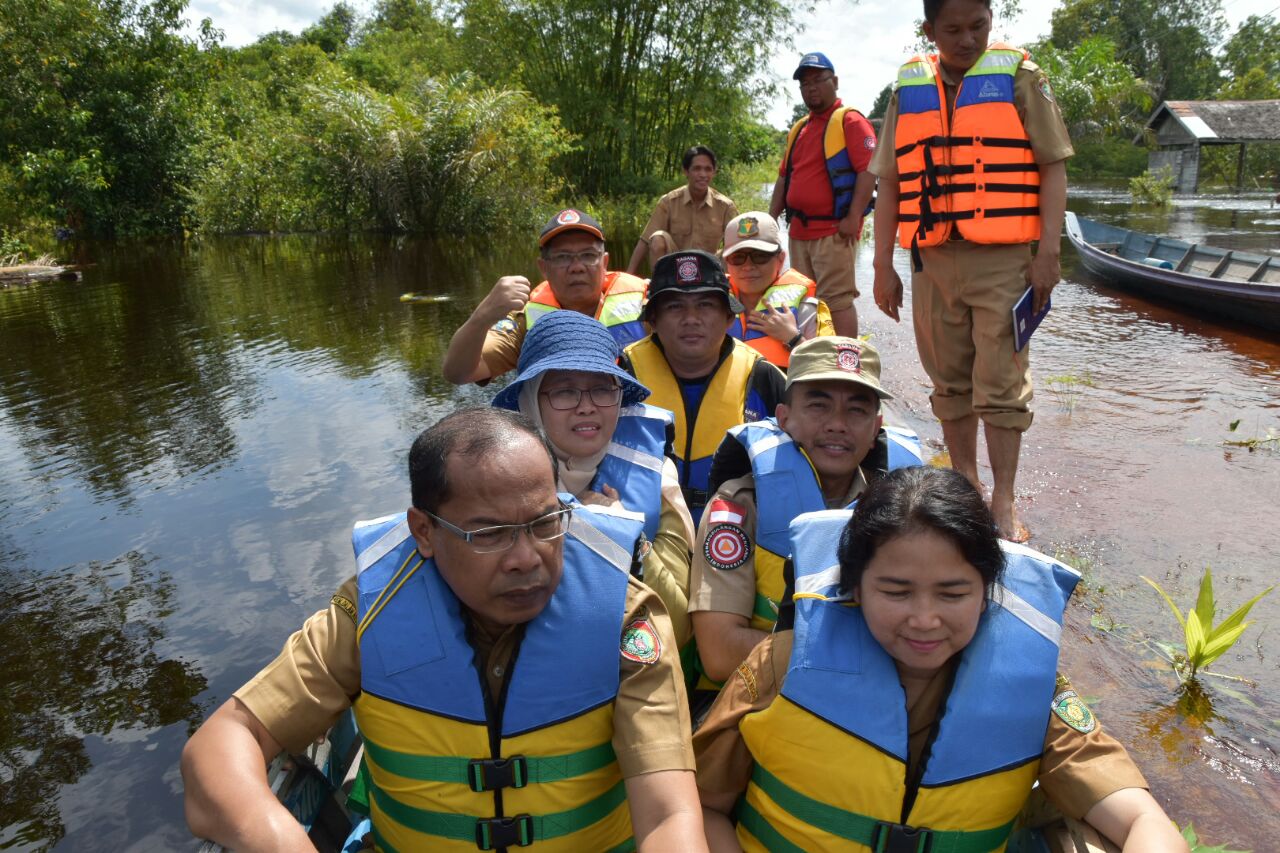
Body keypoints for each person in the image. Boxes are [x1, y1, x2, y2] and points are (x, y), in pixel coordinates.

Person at [181, 408, 707, 852]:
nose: (527, 558)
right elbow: (224, 742)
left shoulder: (622, 616)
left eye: (546, 523)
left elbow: (667, 816)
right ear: (424, 531)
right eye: (491, 534)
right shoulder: (368, 614)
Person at [694, 466, 1188, 853]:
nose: (925, 620)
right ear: (856, 588)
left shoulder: (1034, 694)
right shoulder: (779, 666)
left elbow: (1142, 819)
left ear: (987, 592)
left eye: (953, 593)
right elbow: (706, 806)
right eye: (896, 591)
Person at [869, 0, 1073, 542]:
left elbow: (1053, 167)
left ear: (990, 19)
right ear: (929, 29)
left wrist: (1048, 253)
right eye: (953, 30)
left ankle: (1003, 500)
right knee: (949, 381)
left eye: (978, 26)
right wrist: (882, 263)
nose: (967, 39)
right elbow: (888, 181)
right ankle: (966, 485)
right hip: (931, 260)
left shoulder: (1022, 77)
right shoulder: (908, 88)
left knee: (1002, 383)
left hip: (1005, 260)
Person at [687, 337, 922, 704]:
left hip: (870, 706)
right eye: (818, 406)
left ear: (877, 426)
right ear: (783, 417)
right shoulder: (739, 505)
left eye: (857, 411)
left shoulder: (902, 508)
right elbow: (719, 653)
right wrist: (860, 660)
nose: (837, 425)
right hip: (756, 704)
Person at [492, 310, 695, 647]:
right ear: (530, 400)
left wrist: (623, 533)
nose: (587, 407)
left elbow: (680, 626)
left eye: (602, 389)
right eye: (564, 392)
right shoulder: (491, 484)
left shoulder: (658, 476)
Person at [619, 250, 785, 526]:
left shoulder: (763, 377)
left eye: (705, 305)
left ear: (729, 318)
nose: (691, 319)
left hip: (735, 535)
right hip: (648, 529)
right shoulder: (622, 374)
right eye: (674, 307)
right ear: (653, 320)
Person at [442, 208, 648, 384]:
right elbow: (458, 373)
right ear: (544, 268)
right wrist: (482, 316)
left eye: (588, 255)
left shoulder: (643, 303)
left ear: (604, 263)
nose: (576, 267)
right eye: (562, 258)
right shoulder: (526, 321)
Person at [769, 52, 878, 338]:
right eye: (805, 83)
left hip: (833, 232)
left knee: (837, 301)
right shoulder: (800, 128)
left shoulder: (850, 121)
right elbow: (784, 177)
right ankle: (815, 361)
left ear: (835, 82)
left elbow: (870, 171)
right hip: (799, 234)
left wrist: (853, 217)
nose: (811, 88)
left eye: (818, 80)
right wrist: (769, 221)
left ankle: (846, 365)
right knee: (806, 301)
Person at [720, 211, 833, 369]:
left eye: (760, 256)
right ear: (727, 263)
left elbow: (829, 372)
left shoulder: (806, 311)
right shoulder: (711, 305)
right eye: (737, 258)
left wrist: (793, 338)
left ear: (780, 259)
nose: (748, 266)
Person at [627, 146, 739, 275]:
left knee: (733, 247)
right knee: (657, 238)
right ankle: (660, 288)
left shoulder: (725, 206)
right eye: (697, 169)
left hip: (710, 268)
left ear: (714, 172)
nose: (703, 174)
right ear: (686, 171)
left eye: (708, 169)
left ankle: (729, 290)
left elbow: (741, 243)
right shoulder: (669, 202)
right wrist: (628, 276)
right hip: (676, 268)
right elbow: (645, 240)